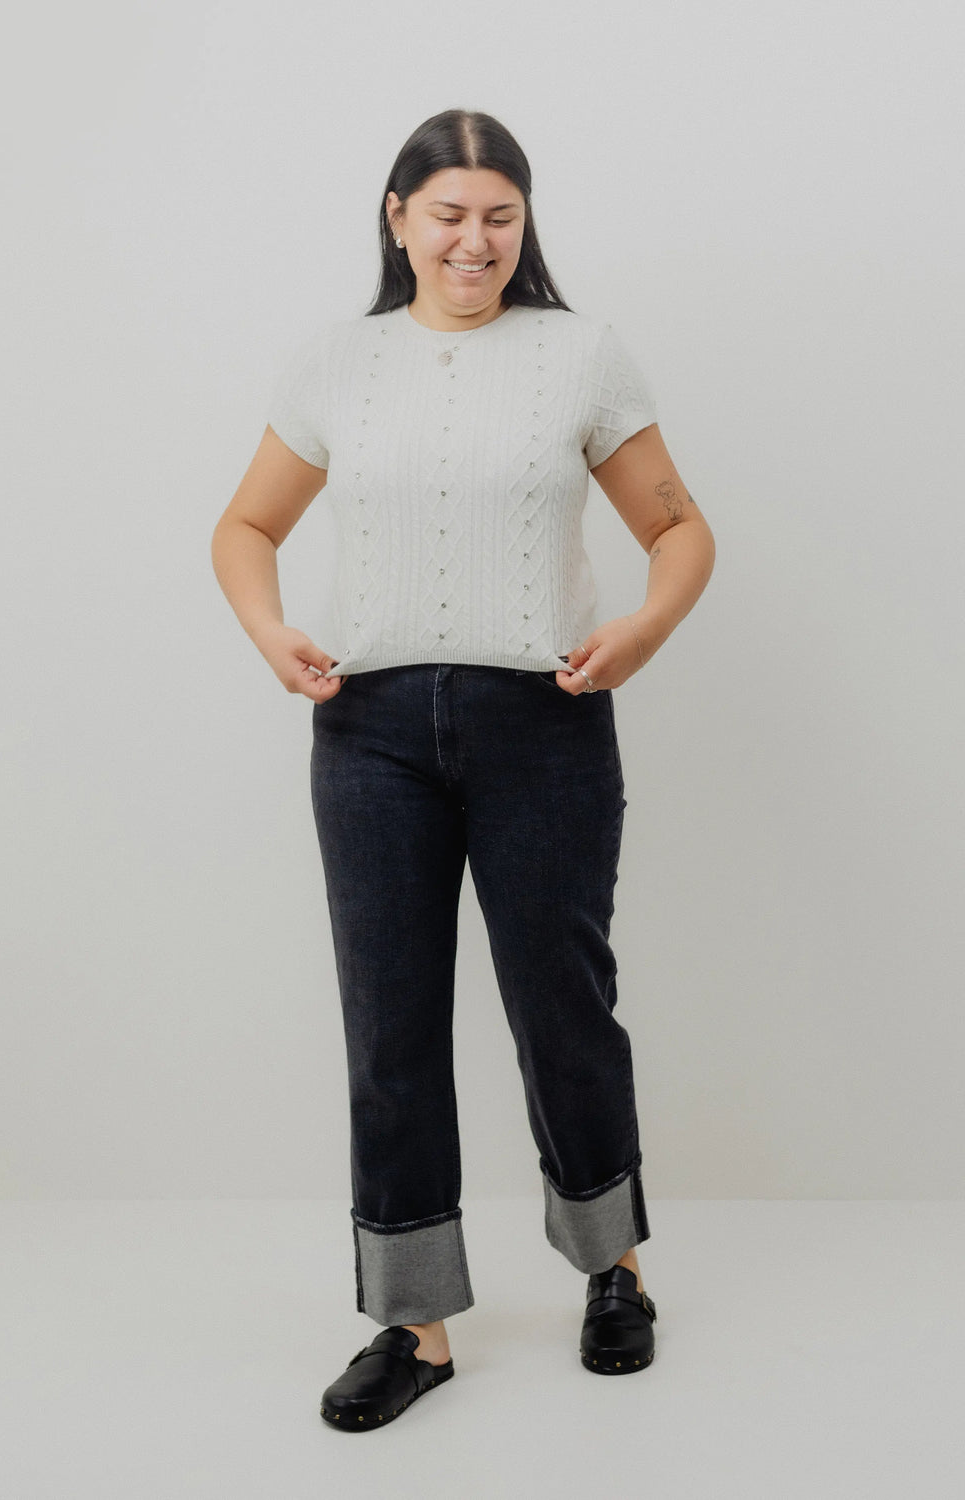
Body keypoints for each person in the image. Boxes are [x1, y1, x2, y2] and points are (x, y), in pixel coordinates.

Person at [211, 108, 715, 1431]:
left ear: (525, 223)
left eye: (501, 215)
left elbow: (678, 529)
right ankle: (414, 1326)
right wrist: (272, 633)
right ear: (398, 219)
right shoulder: (338, 362)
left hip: (544, 722)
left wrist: (643, 630)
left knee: (563, 1006)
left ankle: (614, 1269)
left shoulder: (580, 355)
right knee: (389, 1027)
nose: (474, 241)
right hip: (369, 732)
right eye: (448, 215)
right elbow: (247, 524)